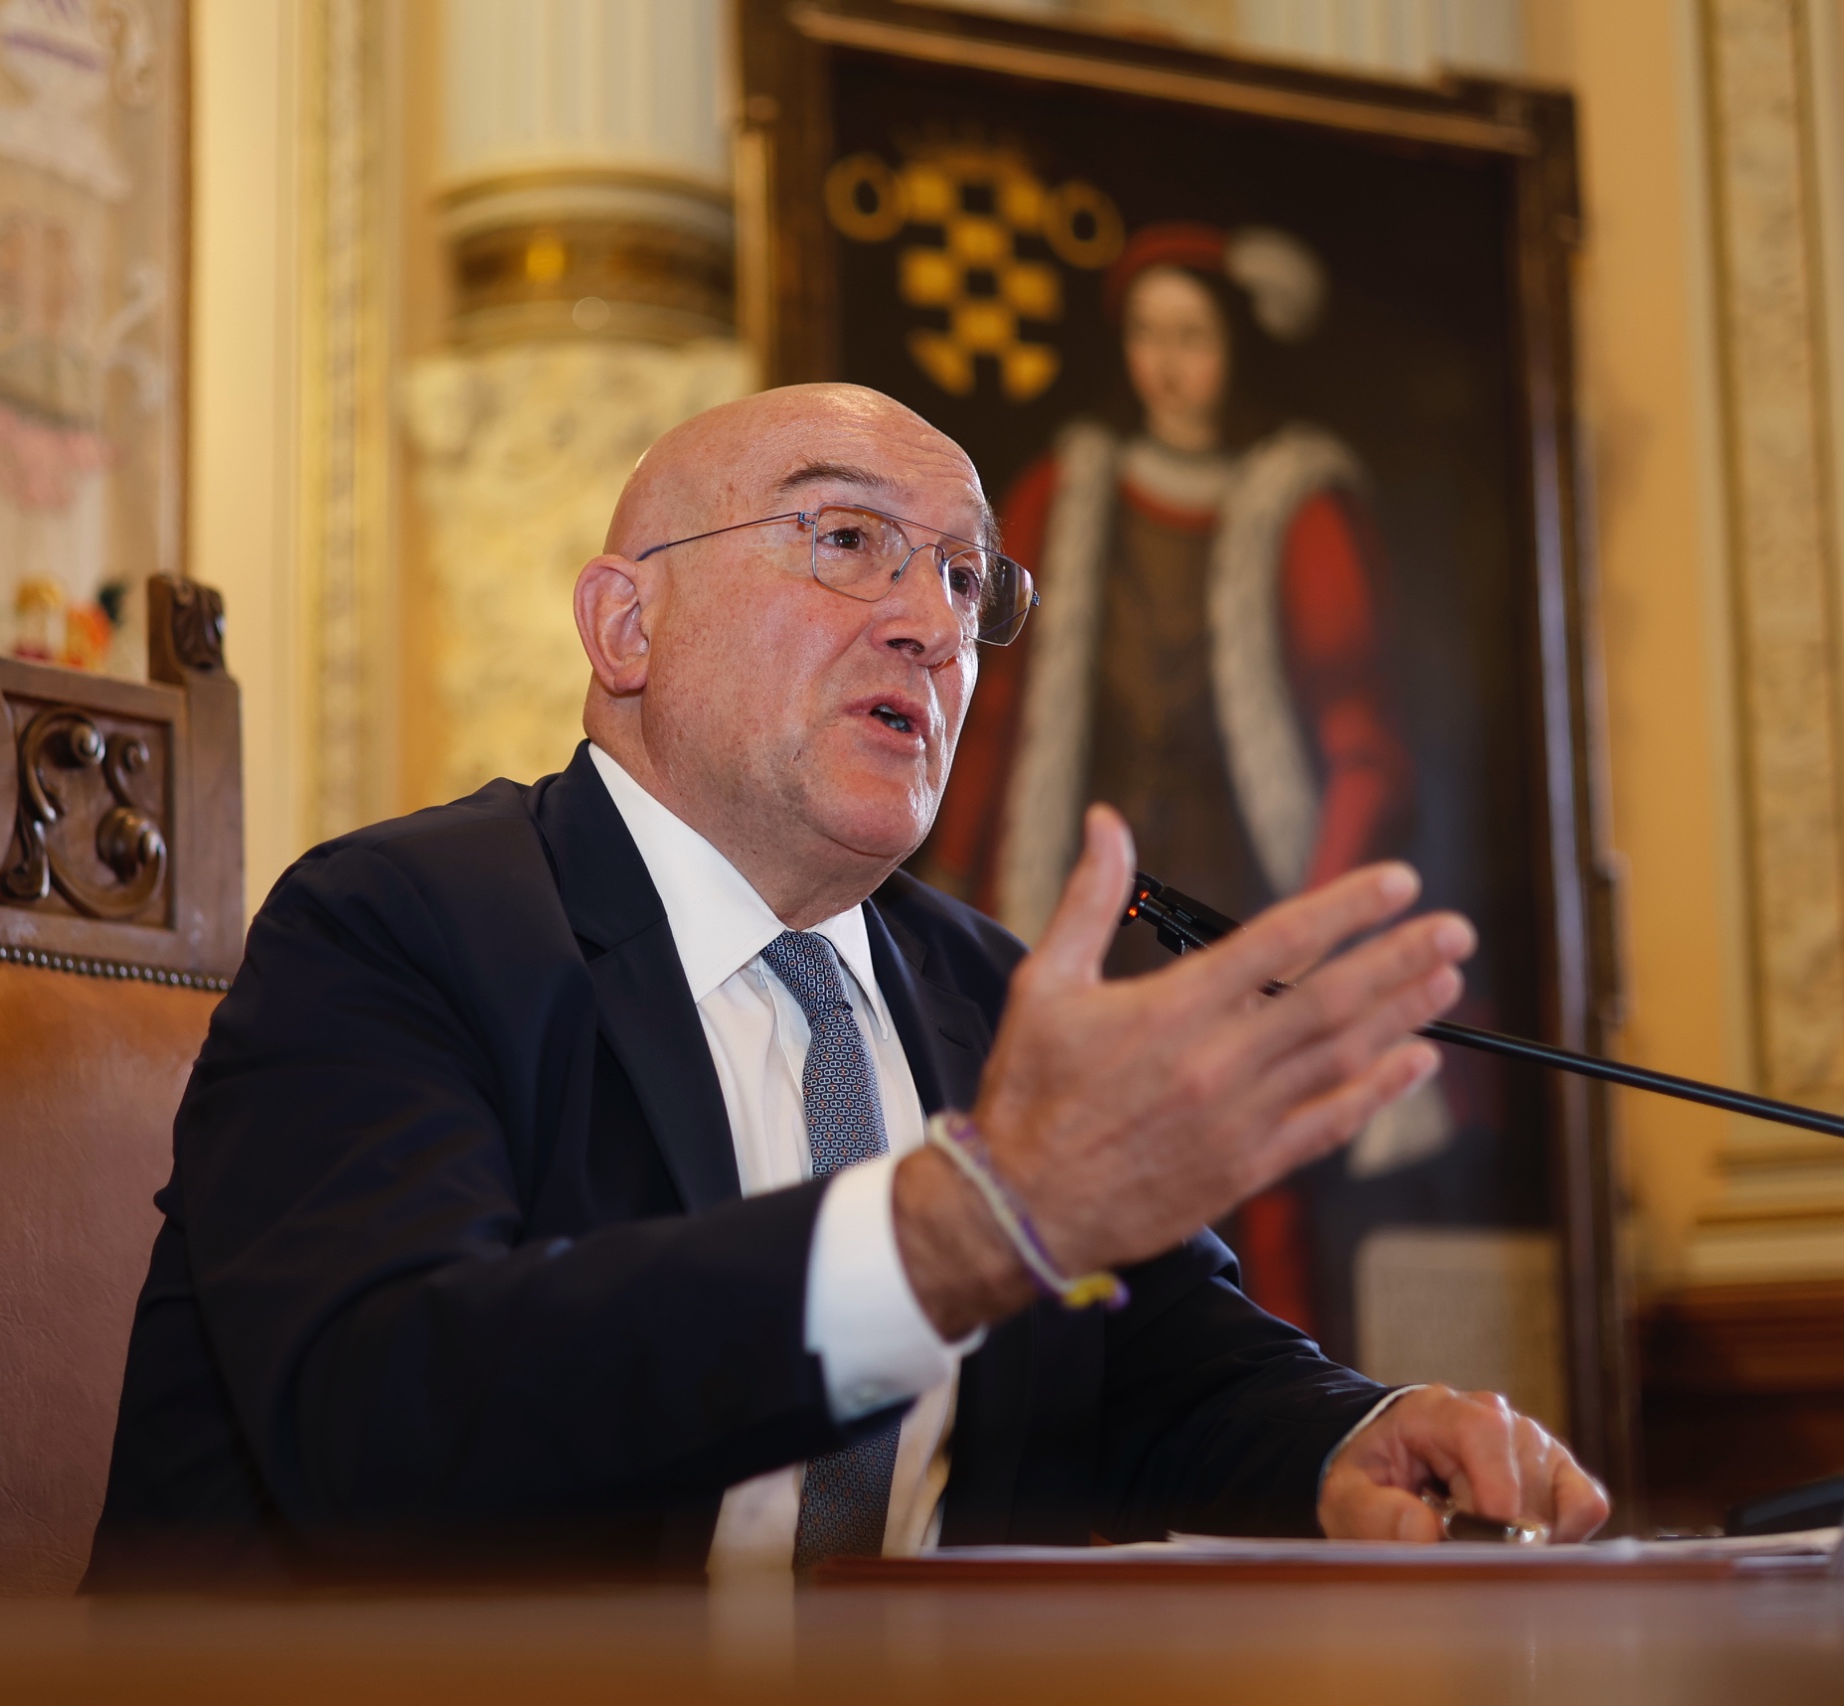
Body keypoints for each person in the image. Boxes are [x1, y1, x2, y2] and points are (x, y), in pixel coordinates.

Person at [83, 383, 1606, 1584]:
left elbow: (1170, 1368)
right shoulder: (394, 926)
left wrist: (1355, 1437)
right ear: (626, 624)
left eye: (964, 576)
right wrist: (945, 1236)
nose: (931, 623)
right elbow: (389, 1419)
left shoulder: (992, 997)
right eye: (845, 540)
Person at [925, 222, 1445, 1336]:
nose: (1166, 363)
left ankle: (1271, 1406)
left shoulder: (1297, 500)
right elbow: (998, 708)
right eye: (1148, 334)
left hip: (1231, 887)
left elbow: (1362, 737)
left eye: (1192, 336)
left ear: (1234, 346)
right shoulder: (1068, 487)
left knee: (1256, 1182)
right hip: (1092, 888)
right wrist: (956, 874)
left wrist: (1304, 927)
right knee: (1071, 1169)